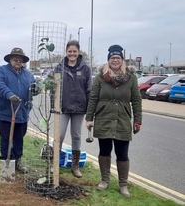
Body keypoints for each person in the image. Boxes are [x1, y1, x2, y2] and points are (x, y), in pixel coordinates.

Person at [85, 44, 142, 197]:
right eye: (112, 58)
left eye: (118, 58)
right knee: (104, 151)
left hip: (122, 119)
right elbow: (93, 98)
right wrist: (89, 118)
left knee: (122, 153)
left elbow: (136, 100)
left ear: (122, 60)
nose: (115, 60)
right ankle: (104, 180)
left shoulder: (130, 78)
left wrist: (138, 120)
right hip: (103, 118)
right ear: (108, 60)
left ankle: (123, 184)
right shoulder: (100, 77)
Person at [0, 47, 38, 173]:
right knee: (6, 139)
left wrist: (35, 89)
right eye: (15, 59)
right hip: (6, 113)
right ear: (10, 60)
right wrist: (9, 95)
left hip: (22, 112)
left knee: (19, 138)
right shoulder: (1, 71)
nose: (18, 61)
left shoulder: (28, 74)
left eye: (20, 59)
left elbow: (34, 89)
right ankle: (7, 167)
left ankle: (17, 161)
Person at [54, 40, 92, 178]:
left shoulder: (85, 69)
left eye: (74, 51)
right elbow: (53, 88)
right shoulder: (59, 68)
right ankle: (55, 163)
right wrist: (55, 106)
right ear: (66, 52)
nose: (72, 54)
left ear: (78, 52)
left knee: (76, 135)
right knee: (60, 135)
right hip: (63, 109)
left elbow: (89, 90)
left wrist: (89, 112)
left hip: (79, 108)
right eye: (69, 51)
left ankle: (75, 166)